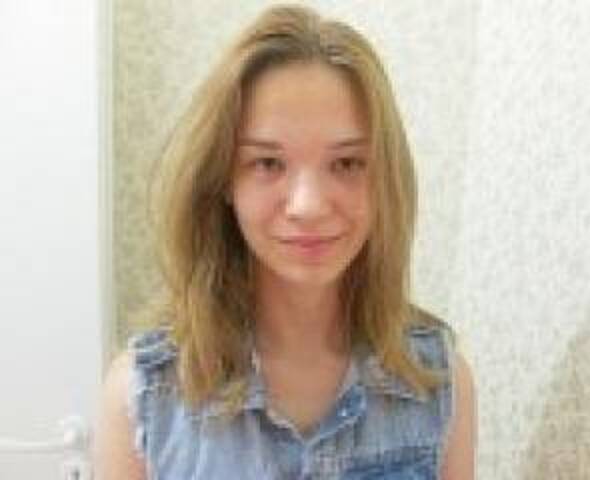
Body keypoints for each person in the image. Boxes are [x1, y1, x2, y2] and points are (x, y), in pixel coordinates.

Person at [94, 4, 475, 479]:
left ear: (385, 180)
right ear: (223, 180)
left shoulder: (440, 384)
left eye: (347, 163)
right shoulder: (141, 398)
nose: (308, 205)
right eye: (268, 163)